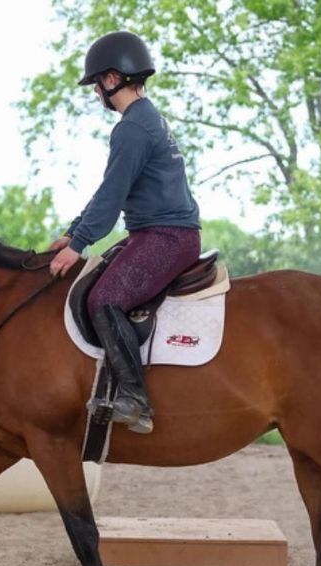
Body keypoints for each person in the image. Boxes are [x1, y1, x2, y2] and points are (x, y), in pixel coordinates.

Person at [48, 31, 202, 435]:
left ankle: (135, 399)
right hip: (154, 233)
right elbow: (111, 189)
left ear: (113, 79)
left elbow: (113, 194)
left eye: (97, 82)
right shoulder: (146, 119)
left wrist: (79, 245)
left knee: (105, 298)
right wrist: (73, 232)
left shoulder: (133, 128)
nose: (96, 91)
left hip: (165, 236)